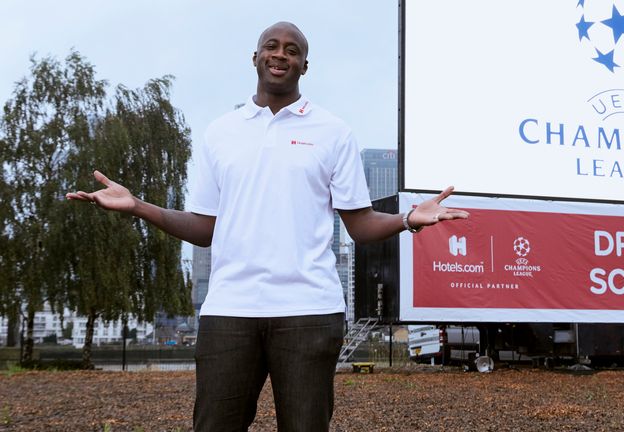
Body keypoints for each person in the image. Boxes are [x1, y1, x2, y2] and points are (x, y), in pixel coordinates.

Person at [66, 21, 469, 432]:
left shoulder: (333, 132)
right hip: (229, 312)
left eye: (292, 50)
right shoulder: (221, 133)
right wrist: (137, 205)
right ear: (255, 58)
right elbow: (205, 228)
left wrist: (407, 220)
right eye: (271, 47)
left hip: (309, 311)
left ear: (304, 66)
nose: (281, 55)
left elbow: (360, 225)